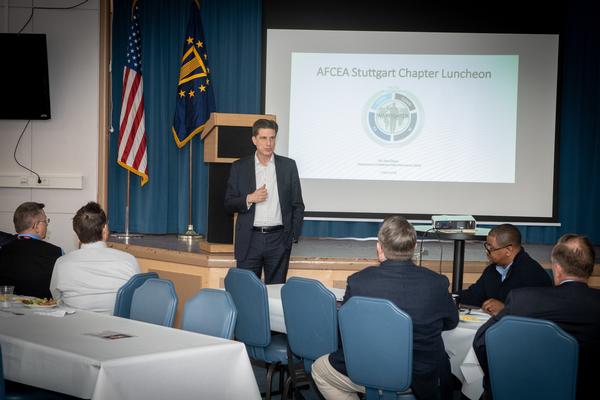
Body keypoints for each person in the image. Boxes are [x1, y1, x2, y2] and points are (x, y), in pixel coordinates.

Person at [312, 216, 459, 400]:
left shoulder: (359, 282)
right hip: (422, 378)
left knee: (319, 369)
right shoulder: (437, 283)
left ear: (379, 247)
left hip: (368, 372)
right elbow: (451, 322)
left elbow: (346, 331)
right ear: (413, 248)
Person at [473, 234, 600, 400]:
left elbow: (482, 341)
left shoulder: (524, 300)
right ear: (590, 268)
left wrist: (497, 382)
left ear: (557, 268)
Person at [224, 118, 304, 284]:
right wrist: (249, 198)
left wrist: (291, 236)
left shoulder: (288, 166)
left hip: (279, 240)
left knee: (275, 293)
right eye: (263, 138)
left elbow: (297, 204)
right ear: (254, 140)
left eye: (272, 138)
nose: (269, 143)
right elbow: (228, 203)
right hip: (250, 239)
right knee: (246, 292)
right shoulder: (239, 167)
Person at [49, 202, 140, 313]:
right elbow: (137, 299)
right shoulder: (129, 260)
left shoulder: (62, 263)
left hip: (73, 326)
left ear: (77, 233)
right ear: (105, 229)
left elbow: (56, 298)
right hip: (117, 328)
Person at [457, 223, 551, 315]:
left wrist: (506, 308)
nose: (487, 251)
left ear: (508, 250)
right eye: (487, 246)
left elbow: (540, 310)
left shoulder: (532, 274)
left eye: (491, 248)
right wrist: (450, 298)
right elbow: (474, 295)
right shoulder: (492, 269)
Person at [0, 202, 62, 298]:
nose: (46, 225)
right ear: (36, 226)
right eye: (45, 221)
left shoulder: (3, 250)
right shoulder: (57, 253)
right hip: (43, 310)